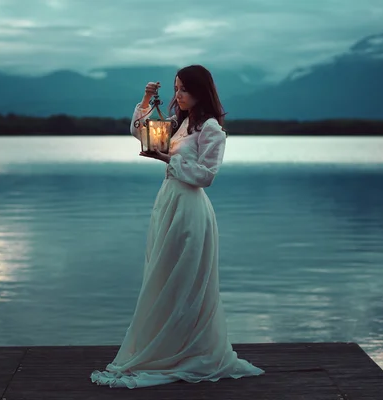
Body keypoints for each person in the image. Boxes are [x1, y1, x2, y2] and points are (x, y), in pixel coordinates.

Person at [90, 65, 265, 389]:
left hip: (190, 210)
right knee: (162, 277)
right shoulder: (180, 123)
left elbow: (206, 176)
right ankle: (167, 348)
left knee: (184, 281)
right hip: (168, 203)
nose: (178, 95)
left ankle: (191, 351)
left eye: (183, 89)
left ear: (200, 91)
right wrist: (145, 99)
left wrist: (168, 159)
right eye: (175, 88)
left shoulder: (210, 128)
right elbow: (140, 132)